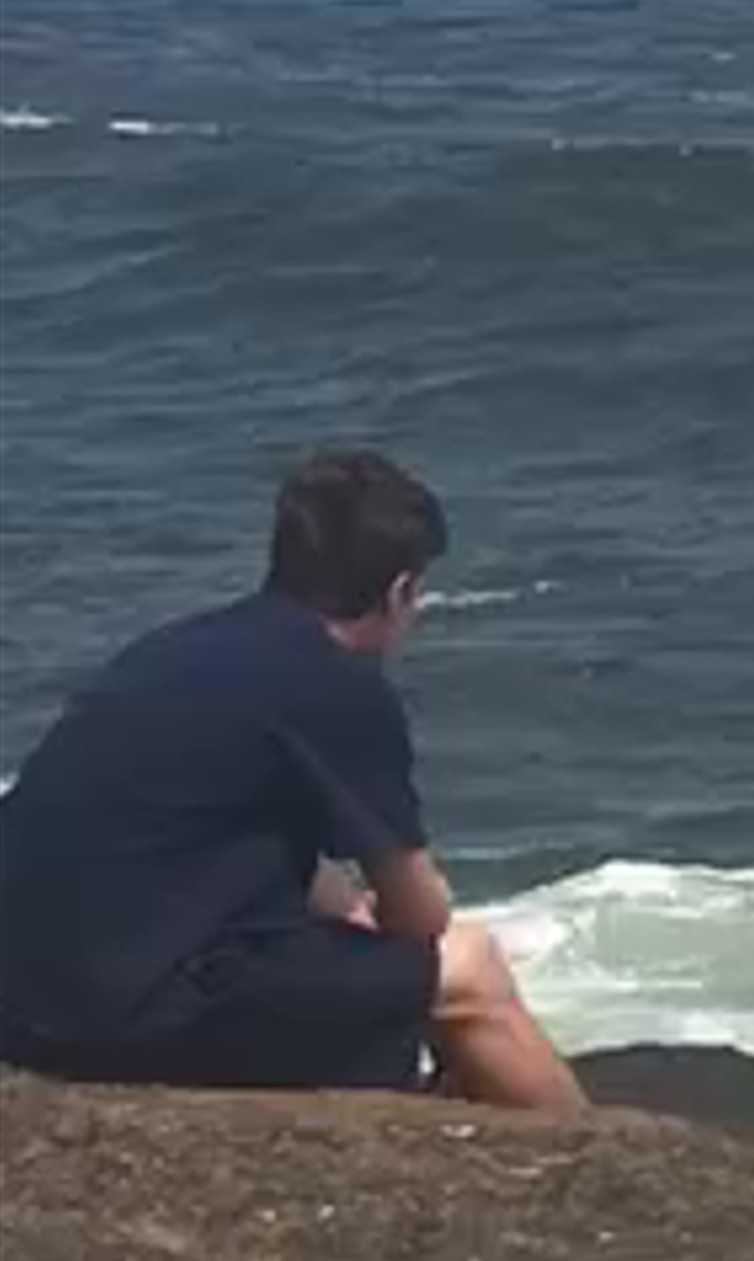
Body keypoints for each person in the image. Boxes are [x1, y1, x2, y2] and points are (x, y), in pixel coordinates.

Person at [0, 448, 583, 1119]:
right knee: (471, 969)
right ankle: (596, 1165)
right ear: (398, 592)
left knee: (354, 945)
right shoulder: (338, 682)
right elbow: (420, 916)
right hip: (123, 1021)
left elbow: (219, 842)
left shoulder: (175, 649)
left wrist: (348, 918)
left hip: (22, 1000)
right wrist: (387, 929)